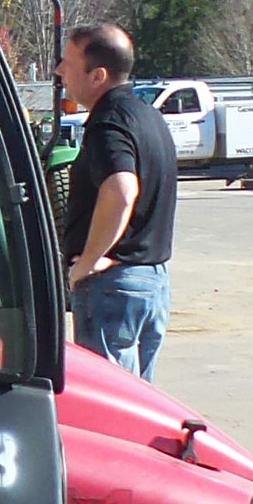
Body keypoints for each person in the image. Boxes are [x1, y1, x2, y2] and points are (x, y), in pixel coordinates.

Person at [56, 23, 178, 381]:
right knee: (138, 398)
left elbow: (122, 190)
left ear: (98, 75)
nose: (60, 71)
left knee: (108, 395)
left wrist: (86, 263)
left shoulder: (108, 124)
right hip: (152, 282)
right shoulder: (149, 117)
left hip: (114, 287)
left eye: (67, 63)